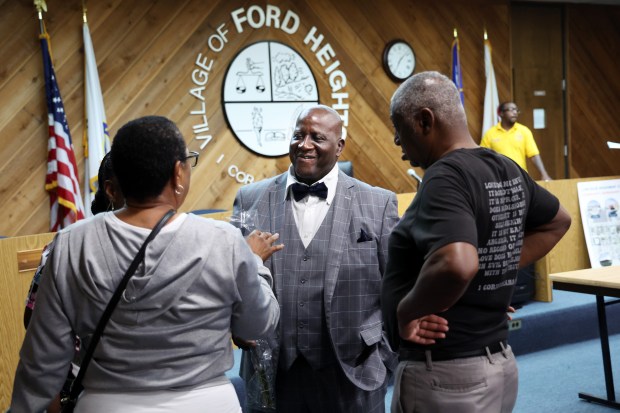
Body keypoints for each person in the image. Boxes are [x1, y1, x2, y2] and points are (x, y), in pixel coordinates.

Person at [11, 116, 280, 413]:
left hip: (107, 404)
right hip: (206, 403)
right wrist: (255, 262)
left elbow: (43, 356)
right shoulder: (224, 241)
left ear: (118, 179)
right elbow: (257, 323)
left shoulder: (72, 243)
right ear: (179, 173)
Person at [382, 72, 571, 413]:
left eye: (399, 128)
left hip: (446, 374)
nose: (397, 141)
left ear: (425, 121)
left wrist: (405, 312)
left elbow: (458, 263)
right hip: (497, 364)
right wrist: (491, 273)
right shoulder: (506, 167)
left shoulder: (444, 176)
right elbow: (558, 223)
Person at [233, 104, 399, 412]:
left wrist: (384, 357)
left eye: (317, 137)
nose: (304, 144)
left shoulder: (379, 203)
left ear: (339, 147)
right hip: (274, 372)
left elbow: (396, 286)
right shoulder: (249, 199)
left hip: (354, 372)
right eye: (298, 135)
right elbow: (230, 278)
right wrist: (239, 326)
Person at [21, 152, 124, 413]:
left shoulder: (176, 242)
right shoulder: (70, 245)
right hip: (89, 392)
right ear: (112, 190)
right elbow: (39, 329)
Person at [481, 101, 552, 181]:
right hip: (499, 178)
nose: (515, 112)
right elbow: (483, 157)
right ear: (501, 114)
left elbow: (534, 155)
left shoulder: (524, 131)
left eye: (516, 110)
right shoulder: (490, 133)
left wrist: (544, 174)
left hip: (520, 177)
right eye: (511, 110)